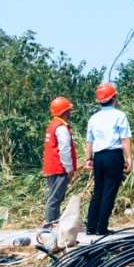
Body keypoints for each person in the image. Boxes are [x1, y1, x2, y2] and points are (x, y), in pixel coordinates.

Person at [84, 83, 133, 236]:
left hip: (98, 157)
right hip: (113, 156)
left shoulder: (94, 117)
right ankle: (101, 228)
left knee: (98, 191)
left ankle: (91, 227)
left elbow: (89, 141)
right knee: (109, 192)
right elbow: (125, 139)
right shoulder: (119, 115)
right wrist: (129, 157)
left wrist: (88, 158)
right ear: (113, 98)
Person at [42, 96, 76, 228]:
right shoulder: (61, 128)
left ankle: (53, 223)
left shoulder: (52, 125)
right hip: (59, 168)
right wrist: (69, 168)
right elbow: (64, 150)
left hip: (52, 167)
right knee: (55, 198)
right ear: (65, 112)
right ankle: (50, 225)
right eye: (69, 110)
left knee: (55, 197)